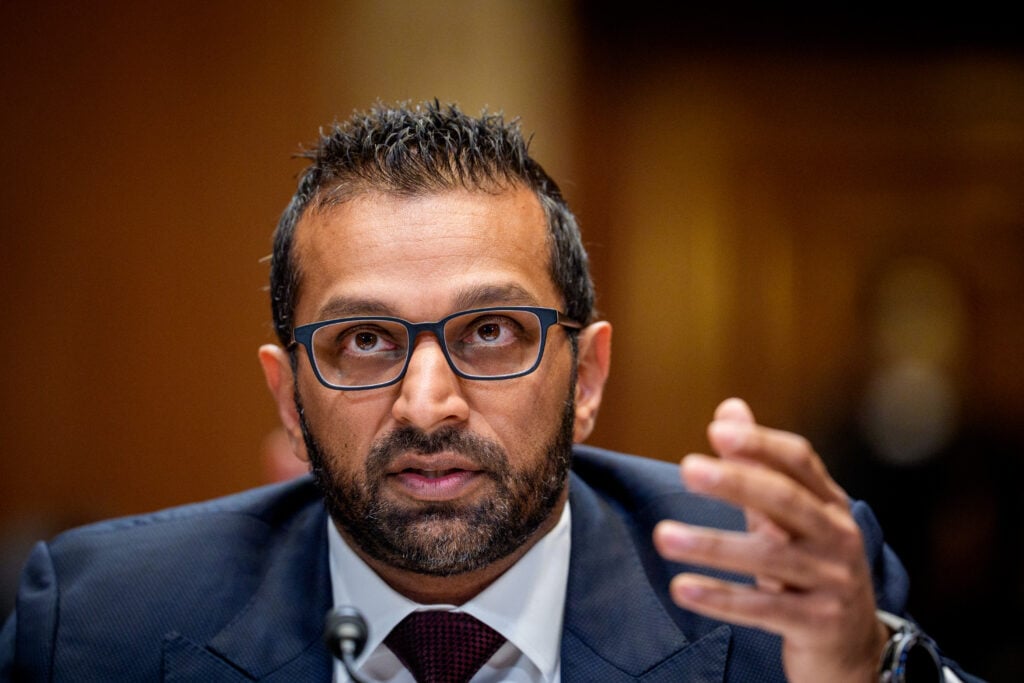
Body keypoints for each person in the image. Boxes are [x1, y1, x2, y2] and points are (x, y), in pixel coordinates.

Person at [0, 101, 983, 683]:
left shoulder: (774, 602)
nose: (428, 404)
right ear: (289, 397)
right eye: (363, 340)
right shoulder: (97, 622)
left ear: (586, 377)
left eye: (490, 331)